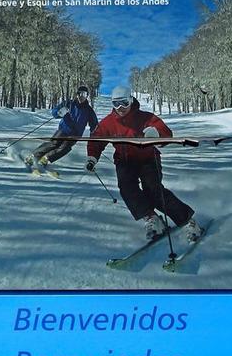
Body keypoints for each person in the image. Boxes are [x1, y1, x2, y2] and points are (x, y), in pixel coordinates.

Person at [85, 85, 204, 244]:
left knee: (153, 190)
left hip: (148, 159)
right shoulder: (108, 123)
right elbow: (96, 140)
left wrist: (156, 134)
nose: (120, 108)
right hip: (125, 161)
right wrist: (92, 157)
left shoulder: (145, 117)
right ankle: (152, 218)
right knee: (127, 189)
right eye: (116, 104)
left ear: (131, 100)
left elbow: (166, 133)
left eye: (124, 103)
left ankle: (188, 221)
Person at [25, 85, 98, 176]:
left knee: (65, 148)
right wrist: (59, 112)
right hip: (64, 129)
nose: (81, 96)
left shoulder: (89, 110)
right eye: (80, 93)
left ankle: (46, 159)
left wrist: (94, 133)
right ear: (77, 94)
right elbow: (54, 112)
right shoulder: (69, 103)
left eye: (84, 94)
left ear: (87, 96)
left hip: (75, 134)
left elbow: (94, 124)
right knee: (53, 144)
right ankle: (33, 156)